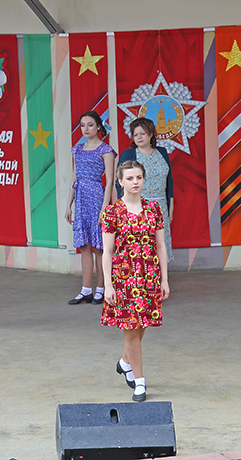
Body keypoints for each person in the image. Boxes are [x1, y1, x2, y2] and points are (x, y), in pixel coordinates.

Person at [102, 160, 170, 402]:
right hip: (124, 279)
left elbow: (160, 246)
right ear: (120, 182)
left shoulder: (154, 209)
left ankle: (124, 361)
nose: (135, 182)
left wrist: (164, 279)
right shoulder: (112, 212)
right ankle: (139, 381)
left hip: (149, 276)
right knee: (130, 329)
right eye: (129, 178)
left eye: (138, 177)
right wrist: (108, 285)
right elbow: (107, 252)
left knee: (142, 325)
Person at [65, 111, 116, 305]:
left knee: (99, 247)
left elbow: (110, 181)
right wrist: (69, 204)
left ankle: (101, 289)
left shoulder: (106, 150)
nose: (86, 129)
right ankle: (86, 289)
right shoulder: (77, 149)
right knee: (84, 245)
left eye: (90, 125)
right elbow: (74, 177)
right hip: (81, 200)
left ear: (99, 126)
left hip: (96, 198)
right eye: (82, 125)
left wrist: (104, 208)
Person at [116, 117, 174, 261]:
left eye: (142, 133)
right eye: (135, 134)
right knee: (140, 246)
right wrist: (125, 208)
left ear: (151, 134)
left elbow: (169, 182)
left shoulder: (162, 152)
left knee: (160, 245)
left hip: (160, 206)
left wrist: (170, 208)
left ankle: (160, 275)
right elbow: (120, 183)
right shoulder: (129, 154)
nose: (139, 137)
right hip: (137, 207)